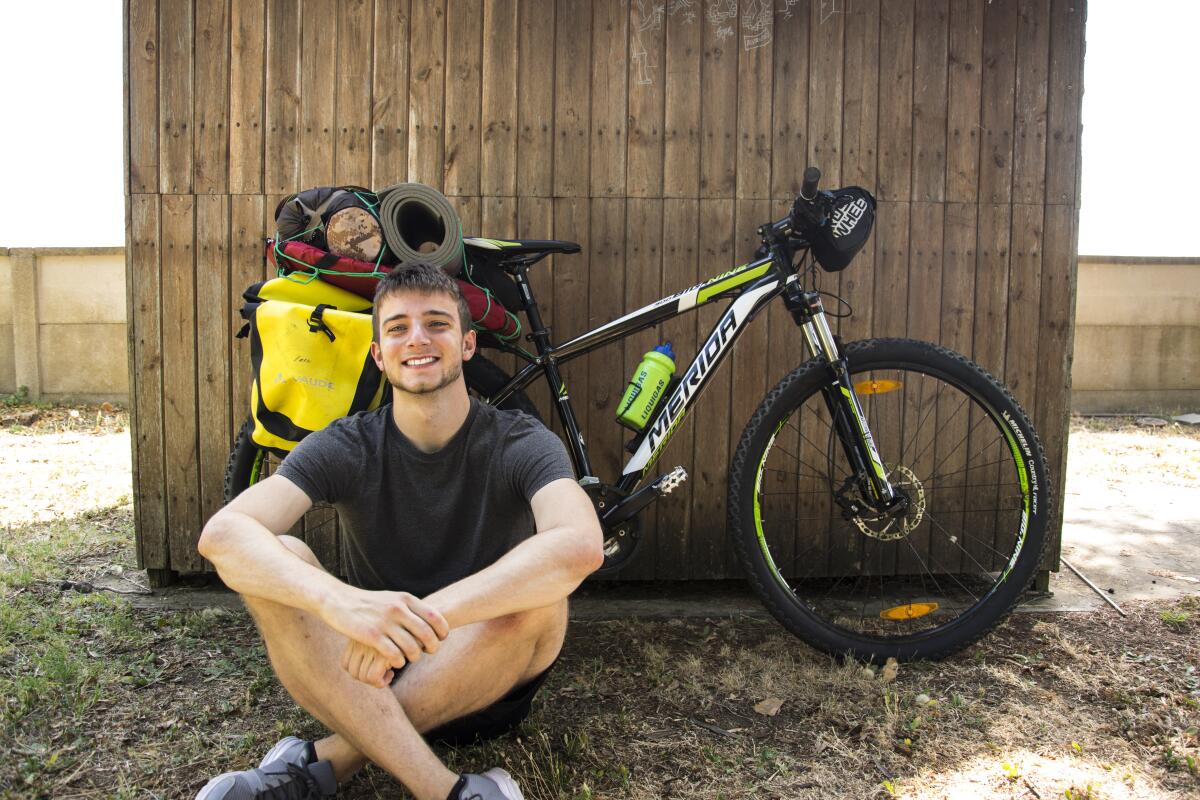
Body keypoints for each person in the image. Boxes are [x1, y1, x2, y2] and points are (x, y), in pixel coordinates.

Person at [195, 263, 603, 800]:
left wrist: (419, 623)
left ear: (467, 345)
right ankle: (447, 791)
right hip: (362, 675)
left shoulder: (519, 440)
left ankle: (324, 761)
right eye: (397, 328)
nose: (418, 339)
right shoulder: (347, 443)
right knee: (281, 552)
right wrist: (337, 602)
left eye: (437, 323)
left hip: (481, 684)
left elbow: (579, 545)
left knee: (538, 590)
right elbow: (222, 535)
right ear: (378, 354)